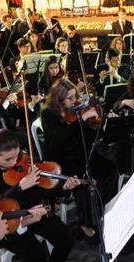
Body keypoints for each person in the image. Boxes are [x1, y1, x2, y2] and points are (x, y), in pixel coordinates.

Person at [0, 129, 79, 262]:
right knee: (36, 255)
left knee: (66, 239)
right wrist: (20, 187)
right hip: (8, 221)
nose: (15, 161)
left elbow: (42, 191)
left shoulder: (23, 160)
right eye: (8, 159)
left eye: (17, 155)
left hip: (32, 211)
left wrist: (63, 188)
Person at [39, 79, 117, 237]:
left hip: (79, 151)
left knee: (110, 168)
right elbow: (63, 135)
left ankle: (105, 209)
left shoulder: (74, 110)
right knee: (84, 176)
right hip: (60, 158)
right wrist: (82, 119)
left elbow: (86, 137)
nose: (74, 101)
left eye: (75, 96)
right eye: (70, 98)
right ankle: (85, 223)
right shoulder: (48, 114)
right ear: (58, 99)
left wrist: (99, 123)